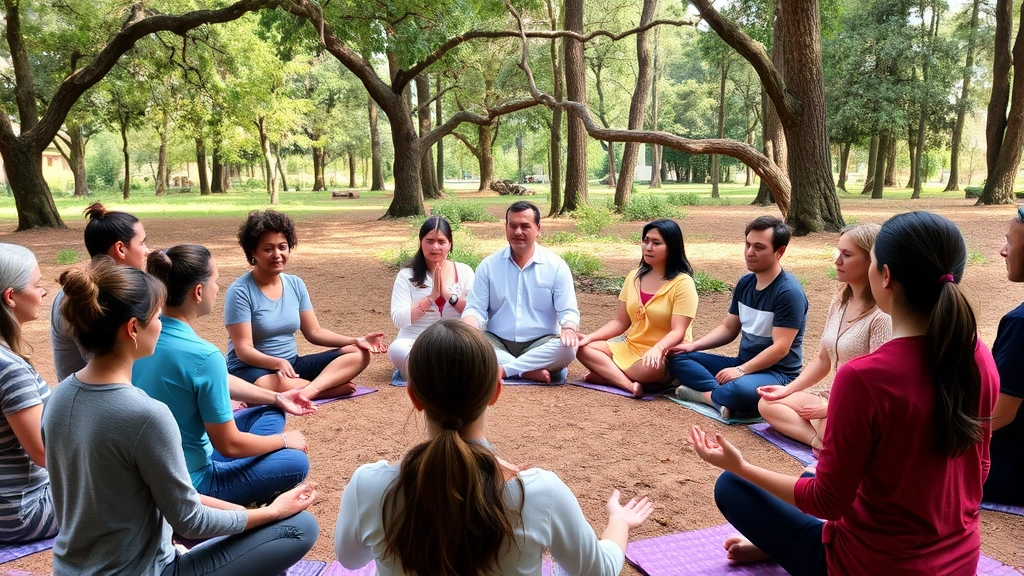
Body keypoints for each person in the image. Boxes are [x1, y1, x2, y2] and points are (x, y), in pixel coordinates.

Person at [689, 211, 999, 575]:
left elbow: (827, 502)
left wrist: (739, 466)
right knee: (810, 475)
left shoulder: (865, 377)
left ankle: (779, 539)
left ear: (885, 275)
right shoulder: (979, 355)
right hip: (959, 561)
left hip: (867, 566)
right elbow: (980, 468)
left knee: (733, 485)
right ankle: (775, 541)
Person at [45, 257, 319, 576]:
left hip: (69, 570)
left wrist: (248, 514)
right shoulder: (146, 415)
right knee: (301, 527)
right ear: (133, 329)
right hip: (146, 570)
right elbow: (191, 520)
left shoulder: (58, 397)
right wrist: (273, 512)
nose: (161, 324)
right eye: (156, 316)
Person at [334, 319, 653, 575]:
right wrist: (619, 522)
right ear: (496, 392)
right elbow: (599, 570)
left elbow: (350, 559)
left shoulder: (369, 486)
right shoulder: (540, 492)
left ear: (413, 396)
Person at [135, 245, 315, 507]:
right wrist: (285, 440)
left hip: (158, 467)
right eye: (215, 281)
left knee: (270, 409)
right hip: (193, 482)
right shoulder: (203, 355)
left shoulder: (144, 337)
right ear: (198, 292)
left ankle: (254, 458)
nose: (218, 288)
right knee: (295, 461)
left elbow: (214, 377)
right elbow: (229, 445)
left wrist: (277, 397)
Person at [225, 210, 386, 400]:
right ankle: (326, 389)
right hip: (250, 369)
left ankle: (310, 391)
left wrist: (355, 340)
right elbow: (244, 350)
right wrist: (276, 363)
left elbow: (314, 332)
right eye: (268, 249)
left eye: (282, 247)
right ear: (253, 252)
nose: (277, 254)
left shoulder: (295, 284)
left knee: (359, 354)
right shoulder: (240, 291)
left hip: (291, 365)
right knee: (269, 384)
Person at [757, 224, 891, 450]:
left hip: (860, 408)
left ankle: (827, 438)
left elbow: (880, 386)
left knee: (833, 427)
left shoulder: (882, 316)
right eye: (838, 252)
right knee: (768, 403)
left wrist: (830, 410)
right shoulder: (840, 301)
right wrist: (788, 390)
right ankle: (818, 442)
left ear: (872, 261)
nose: (837, 261)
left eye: (847, 255)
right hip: (833, 397)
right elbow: (823, 359)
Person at [669, 216, 808, 419]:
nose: (749, 252)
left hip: (777, 374)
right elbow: (728, 328)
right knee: (676, 356)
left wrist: (742, 371)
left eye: (759, 247)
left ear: (780, 251)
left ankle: (706, 395)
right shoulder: (745, 283)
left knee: (740, 391)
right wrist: (694, 346)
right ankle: (721, 396)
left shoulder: (788, 293)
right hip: (742, 363)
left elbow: (781, 348)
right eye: (747, 244)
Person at [576, 219, 698, 398]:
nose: (648, 247)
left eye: (656, 243)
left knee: (650, 368)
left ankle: (608, 374)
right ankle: (627, 384)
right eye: (645, 241)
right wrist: (590, 337)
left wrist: (658, 349)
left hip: (663, 353)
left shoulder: (683, 283)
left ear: (672, 247)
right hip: (630, 346)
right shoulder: (634, 277)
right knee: (581, 348)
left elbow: (678, 331)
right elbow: (621, 321)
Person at [462, 201, 580, 384]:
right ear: (506, 228)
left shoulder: (556, 266)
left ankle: (505, 370)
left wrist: (569, 328)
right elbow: (475, 308)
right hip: (497, 342)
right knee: (467, 343)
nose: (518, 232)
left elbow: (568, 310)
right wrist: (467, 328)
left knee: (568, 349)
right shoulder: (488, 265)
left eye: (525, 226)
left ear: (538, 229)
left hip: (540, 343)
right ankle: (527, 371)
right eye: (513, 226)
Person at [51, 202, 149, 381]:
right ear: (120, 249)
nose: (147, 251)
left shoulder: (85, 289)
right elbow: (107, 365)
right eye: (142, 243)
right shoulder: (91, 296)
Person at [0, 244, 57, 544]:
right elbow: (44, 453)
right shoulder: (10, 368)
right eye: (37, 285)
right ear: (11, 297)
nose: (43, 292)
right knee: (129, 490)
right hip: (21, 511)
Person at [389, 216, 475, 380]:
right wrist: (431, 297)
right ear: (421, 242)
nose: (435, 246)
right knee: (397, 349)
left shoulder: (464, 271)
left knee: (483, 348)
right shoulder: (406, 275)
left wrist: (446, 294)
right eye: (429, 241)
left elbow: (474, 312)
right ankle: (443, 374)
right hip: (416, 342)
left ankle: (429, 375)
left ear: (450, 244)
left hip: (454, 341)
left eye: (441, 242)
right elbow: (399, 319)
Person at [984, 206, 1024, 507]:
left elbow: (997, 415)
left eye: (1010, 242)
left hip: (1009, 472)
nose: (1003, 251)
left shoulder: (1020, 323)